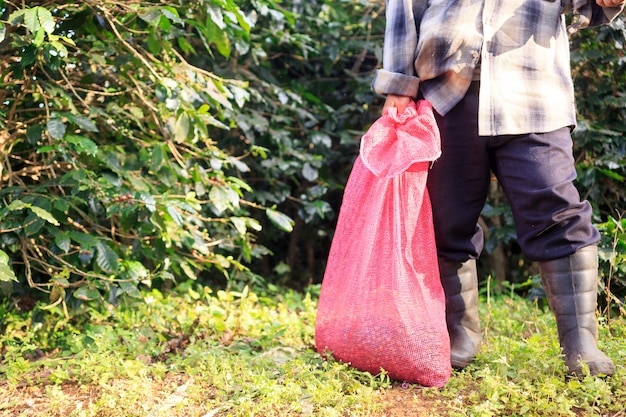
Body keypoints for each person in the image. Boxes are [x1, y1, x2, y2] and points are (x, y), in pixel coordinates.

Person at [371, 0, 624, 376]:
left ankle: (580, 344)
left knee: (556, 209)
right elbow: (405, 8)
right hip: (444, 94)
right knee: (443, 217)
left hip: (534, 89)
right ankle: (459, 335)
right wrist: (398, 85)